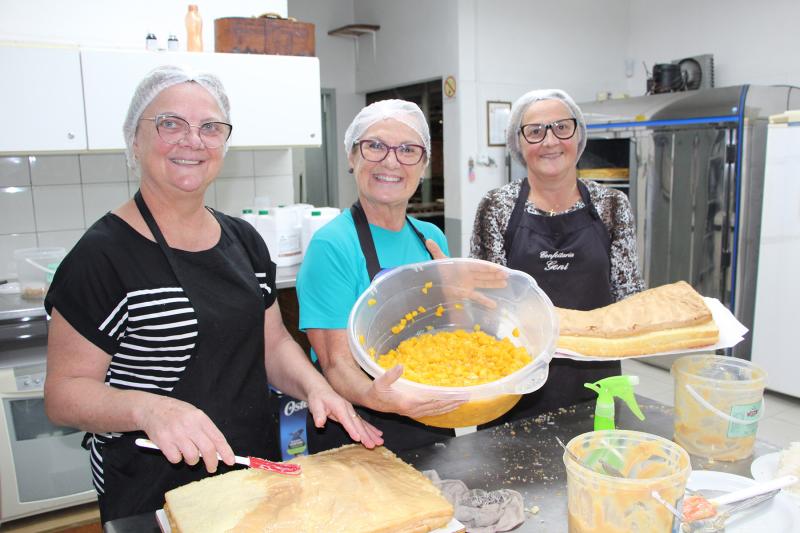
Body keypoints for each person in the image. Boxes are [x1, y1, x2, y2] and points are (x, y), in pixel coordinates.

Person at [43, 65, 381, 523]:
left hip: (247, 469)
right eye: (170, 123)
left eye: (210, 127)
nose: (192, 140)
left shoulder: (243, 239)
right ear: (134, 140)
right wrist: (151, 409)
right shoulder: (101, 257)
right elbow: (63, 395)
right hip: (150, 483)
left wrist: (316, 387)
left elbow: (273, 343)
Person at [296, 99, 464, 452]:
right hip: (359, 428)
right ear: (352, 157)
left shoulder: (431, 239)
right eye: (374, 146)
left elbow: (443, 339)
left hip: (430, 418)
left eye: (407, 150)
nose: (390, 161)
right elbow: (334, 362)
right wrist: (376, 396)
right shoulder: (333, 244)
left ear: (423, 165)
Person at [470, 89, 645, 419]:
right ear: (518, 145)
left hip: (598, 378)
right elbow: (487, 306)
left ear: (578, 136)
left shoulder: (611, 205)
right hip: (518, 377)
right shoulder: (497, 207)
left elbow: (629, 297)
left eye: (561, 127)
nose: (550, 141)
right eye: (535, 132)